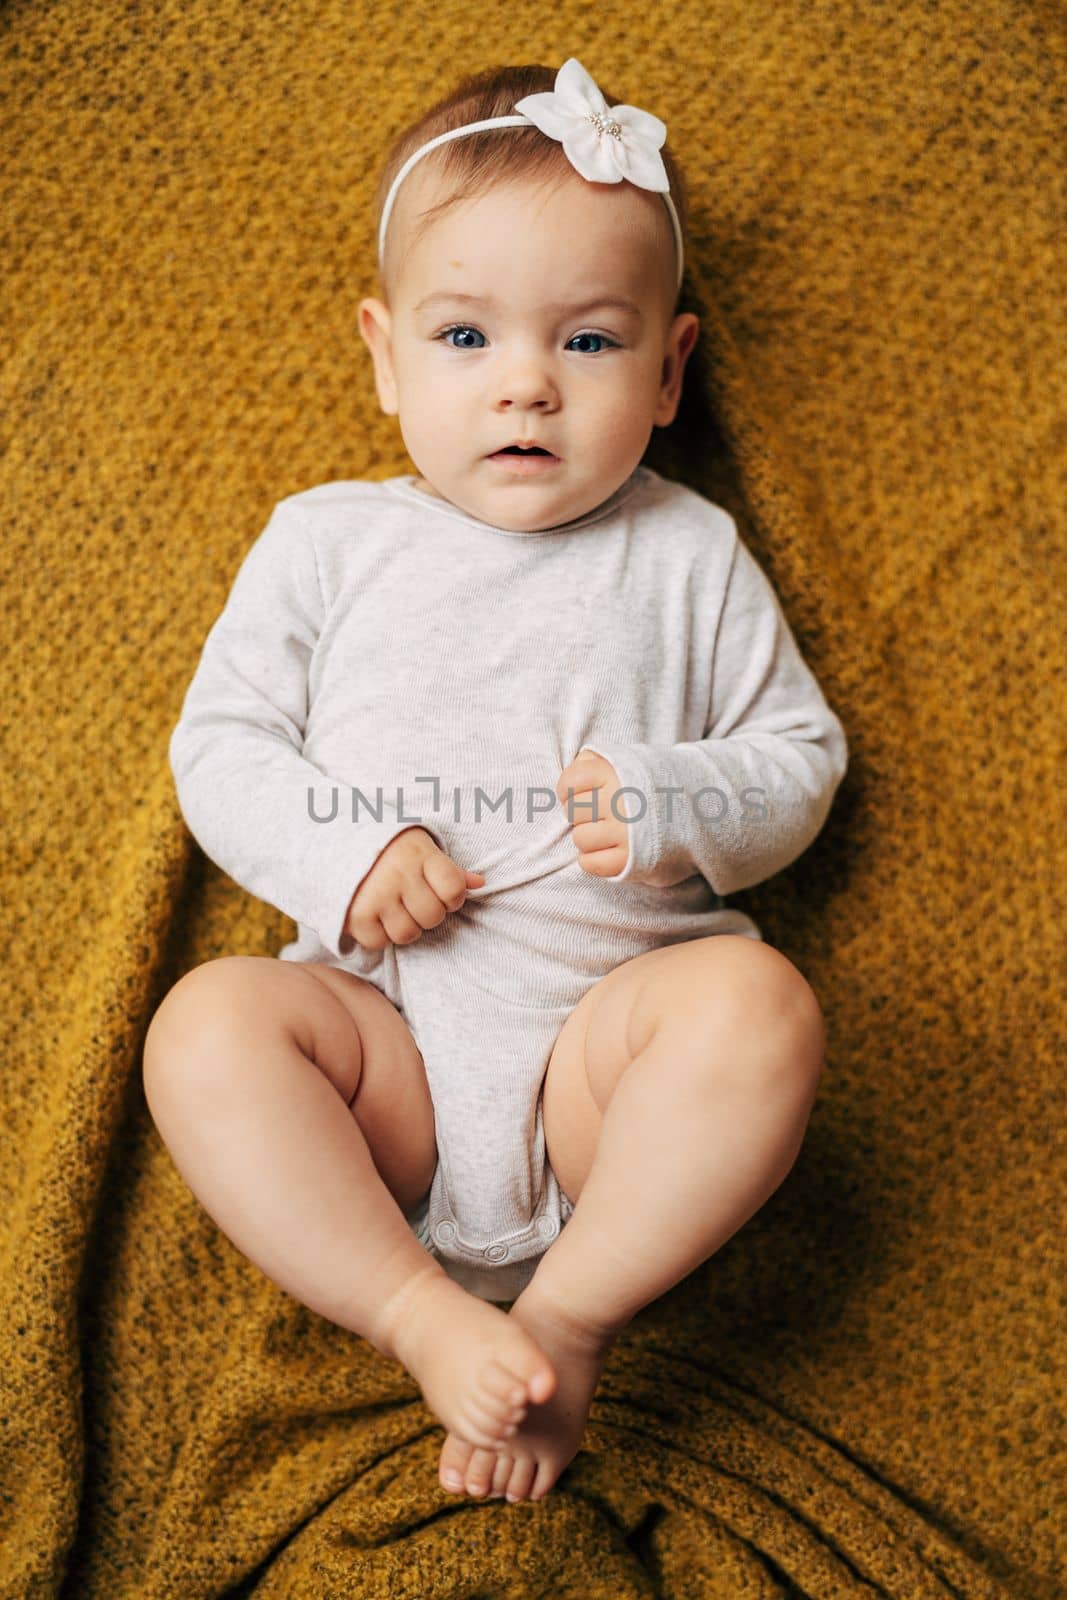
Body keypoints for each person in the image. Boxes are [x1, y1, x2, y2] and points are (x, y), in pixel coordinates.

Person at [142, 58, 848, 1508]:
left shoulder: (689, 553)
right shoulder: (329, 544)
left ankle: (565, 1320)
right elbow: (222, 745)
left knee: (762, 1014)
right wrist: (348, 853)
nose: (525, 381)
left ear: (669, 372)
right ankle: (418, 1310)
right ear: (386, 355)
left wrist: (671, 796)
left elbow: (800, 762)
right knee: (206, 1030)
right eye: (467, 334)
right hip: (382, 1054)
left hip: (606, 1062)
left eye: (588, 343)